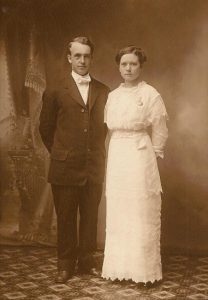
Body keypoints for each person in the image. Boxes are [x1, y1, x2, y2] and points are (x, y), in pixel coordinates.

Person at [39, 37, 109, 283]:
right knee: (66, 217)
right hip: (65, 166)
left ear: (91, 58)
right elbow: (45, 128)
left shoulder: (103, 90)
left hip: (93, 167)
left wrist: (94, 153)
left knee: (90, 217)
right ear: (69, 58)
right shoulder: (56, 89)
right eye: (77, 56)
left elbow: (104, 129)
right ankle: (65, 264)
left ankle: (87, 261)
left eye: (86, 56)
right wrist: (61, 152)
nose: (82, 61)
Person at [102, 46, 168, 284]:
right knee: (120, 208)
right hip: (118, 153)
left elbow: (160, 127)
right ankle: (120, 268)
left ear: (140, 66)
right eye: (124, 64)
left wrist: (155, 153)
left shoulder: (150, 94)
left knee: (140, 208)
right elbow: (108, 125)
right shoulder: (113, 95)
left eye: (133, 64)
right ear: (118, 66)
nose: (128, 69)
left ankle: (143, 271)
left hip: (140, 154)